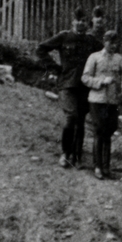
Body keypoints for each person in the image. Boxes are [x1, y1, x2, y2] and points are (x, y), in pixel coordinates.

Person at [38, 10, 101, 169]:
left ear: (88, 23)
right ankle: (66, 153)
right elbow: (41, 49)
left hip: (85, 86)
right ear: (72, 21)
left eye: (84, 20)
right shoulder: (64, 37)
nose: (80, 23)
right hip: (67, 84)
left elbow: (104, 56)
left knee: (80, 121)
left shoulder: (91, 41)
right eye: (78, 20)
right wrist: (55, 68)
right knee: (71, 117)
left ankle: (77, 155)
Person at [81, 28, 122, 180]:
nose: (113, 46)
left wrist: (121, 92)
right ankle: (97, 166)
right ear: (105, 42)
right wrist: (100, 82)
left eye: (115, 43)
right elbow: (85, 78)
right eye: (110, 42)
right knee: (99, 131)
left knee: (109, 131)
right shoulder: (95, 57)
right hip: (97, 100)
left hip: (112, 101)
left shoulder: (119, 59)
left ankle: (106, 166)